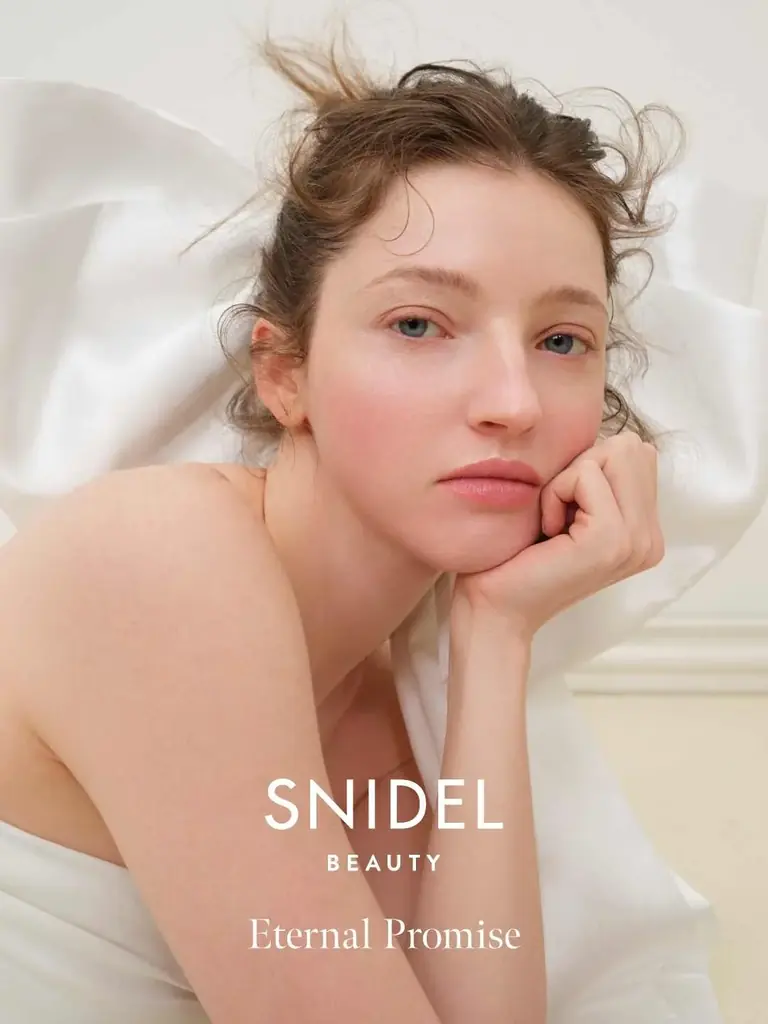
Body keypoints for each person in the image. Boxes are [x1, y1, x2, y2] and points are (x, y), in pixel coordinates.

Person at [0, 25, 699, 1024]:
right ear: (284, 373)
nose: (513, 402)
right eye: (419, 323)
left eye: (561, 339)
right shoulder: (156, 558)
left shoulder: (393, 697)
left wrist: (496, 634)